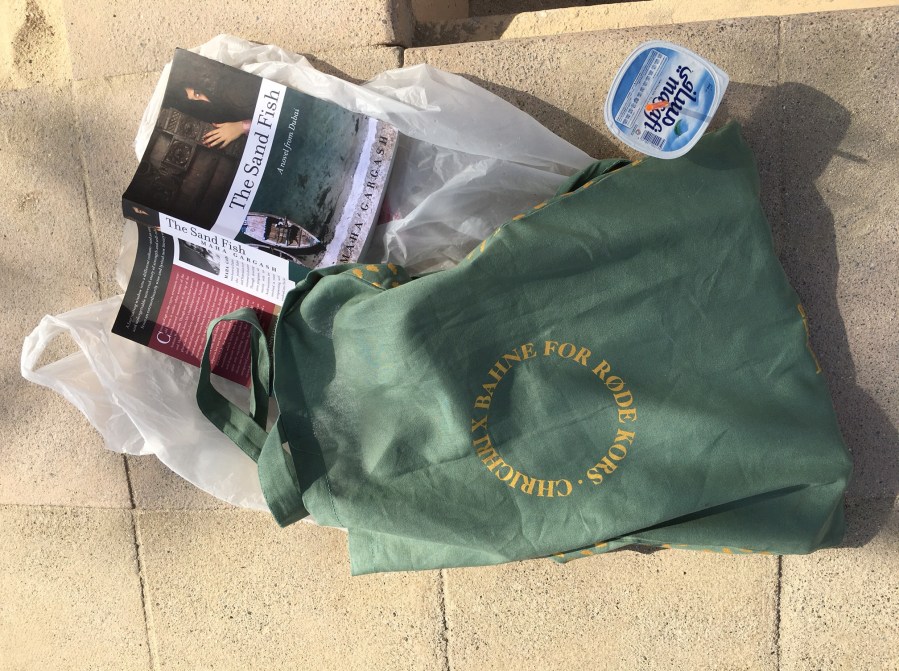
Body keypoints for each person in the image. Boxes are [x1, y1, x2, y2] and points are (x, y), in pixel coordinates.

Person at [161, 50, 260, 149]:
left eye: (197, 94)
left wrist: (242, 126)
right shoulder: (210, 132)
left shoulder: (230, 93)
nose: (202, 102)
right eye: (194, 104)